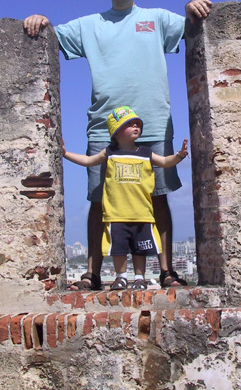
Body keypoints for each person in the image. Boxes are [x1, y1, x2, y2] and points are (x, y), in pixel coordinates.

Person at [24, 0, 211, 289]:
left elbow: (190, 26)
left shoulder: (156, 19)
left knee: (157, 197)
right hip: (104, 127)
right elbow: (52, 37)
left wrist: (189, 6)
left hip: (152, 123)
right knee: (99, 199)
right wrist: (41, 19)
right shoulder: (89, 25)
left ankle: (166, 271)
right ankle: (93, 273)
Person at [62, 106, 188, 290]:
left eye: (137, 123)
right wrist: (66, 154)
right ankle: (121, 277)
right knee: (118, 249)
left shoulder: (145, 153)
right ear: (116, 131)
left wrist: (179, 156)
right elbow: (88, 161)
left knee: (140, 249)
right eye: (130, 124)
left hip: (142, 213)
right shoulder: (109, 153)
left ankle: (139, 277)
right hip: (116, 214)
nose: (136, 126)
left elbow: (164, 162)